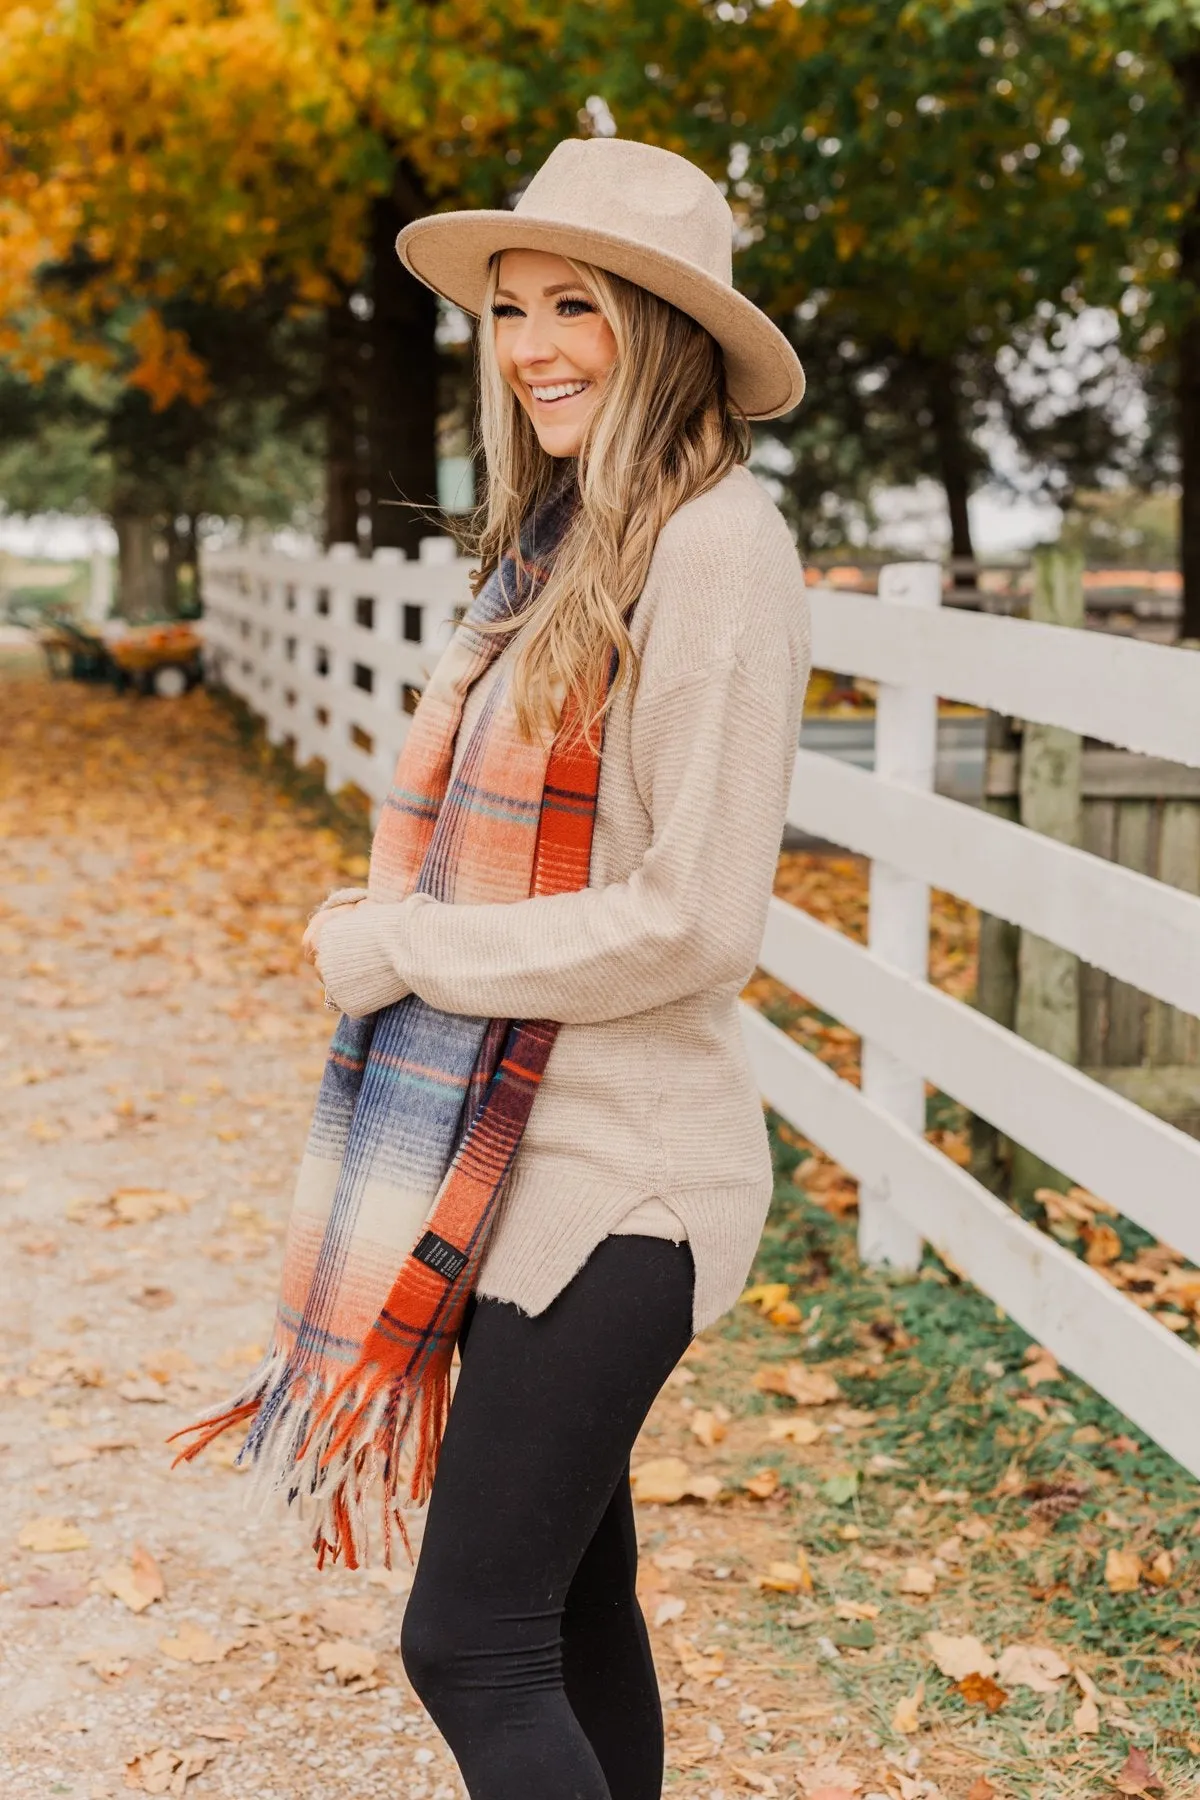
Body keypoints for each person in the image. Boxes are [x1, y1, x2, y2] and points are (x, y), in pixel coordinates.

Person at [207, 135, 809, 1800]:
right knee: (570, 1614)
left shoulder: (715, 552)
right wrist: (401, 918)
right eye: (514, 308)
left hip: (628, 1178)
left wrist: (409, 946)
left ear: (666, 329)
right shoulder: (556, 552)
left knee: (465, 1639)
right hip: (518, 1152)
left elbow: (699, 917)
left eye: (581, 308)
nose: (534, 343)